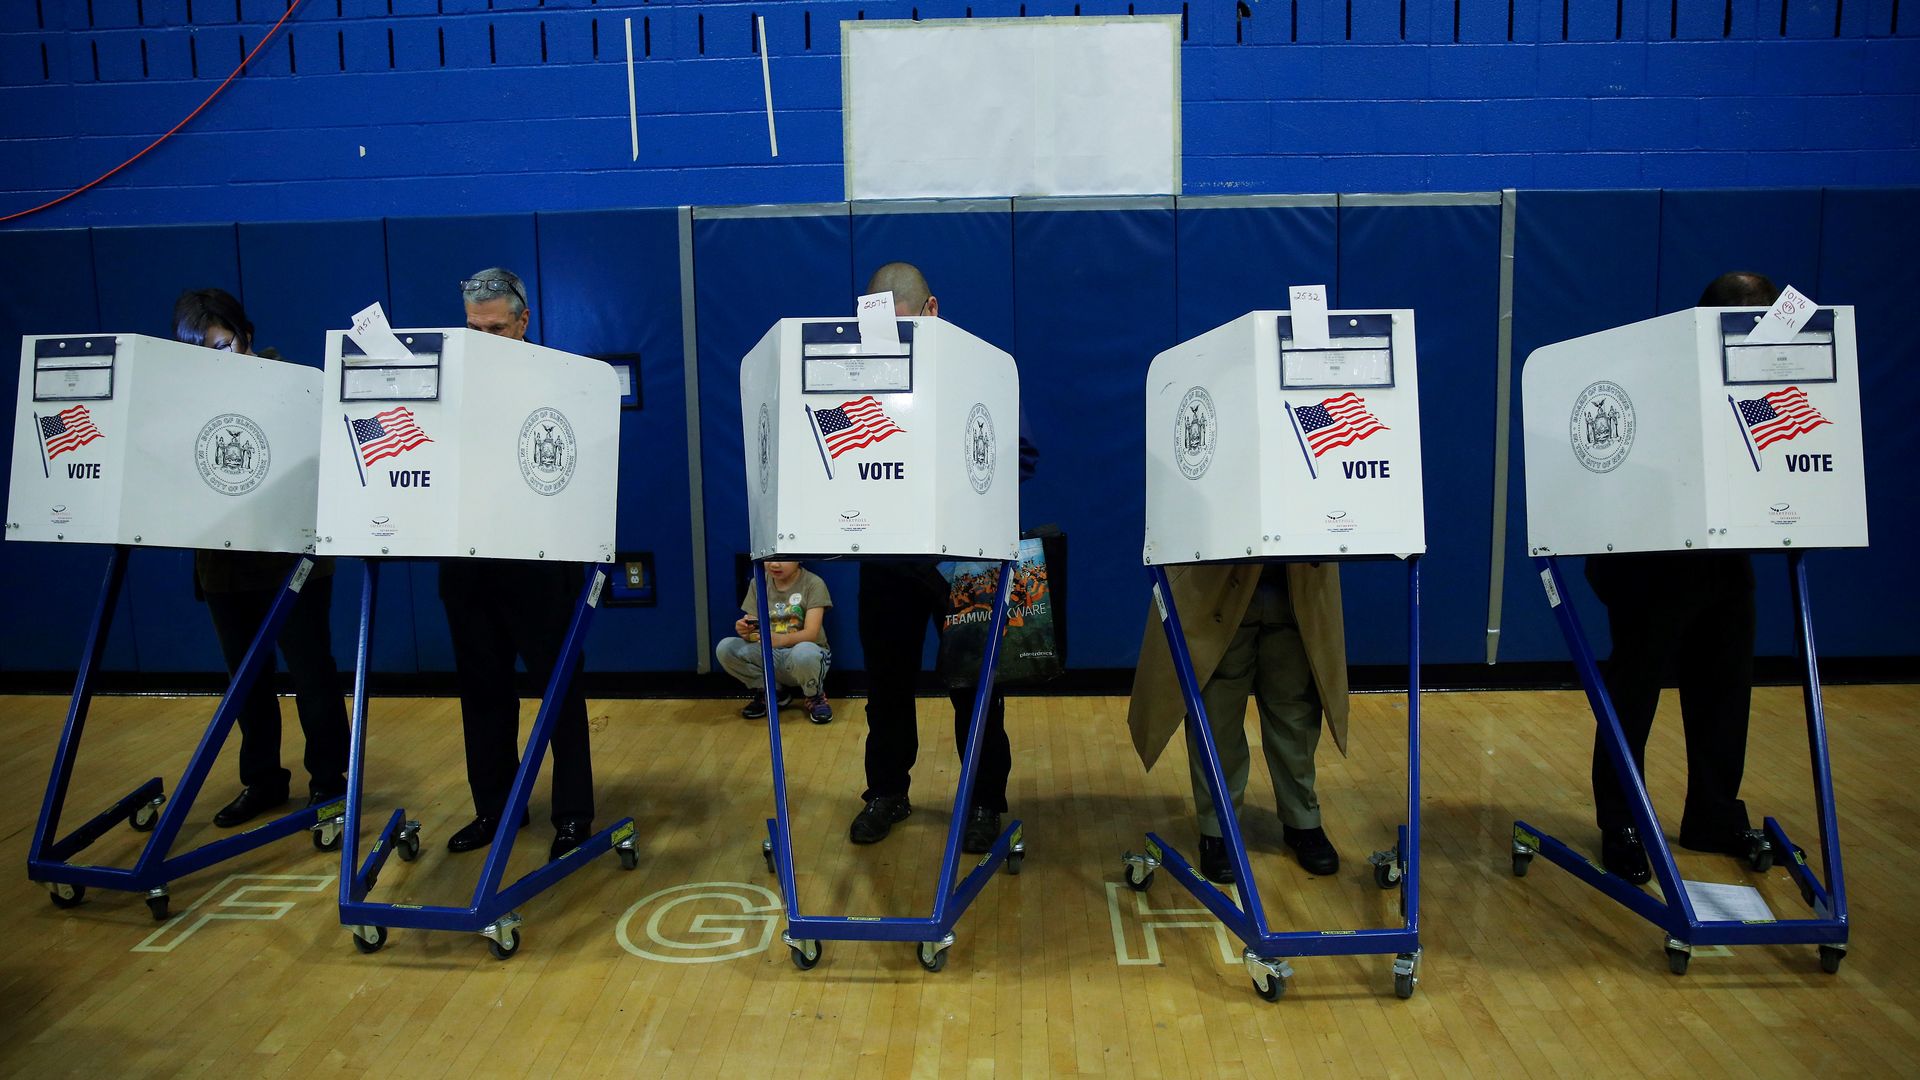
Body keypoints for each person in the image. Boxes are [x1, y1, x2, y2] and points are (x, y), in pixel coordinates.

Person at [1585, 271, 1780, 884]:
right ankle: (1619, 821)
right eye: (1753, 318)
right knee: (1635, 693)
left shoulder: (1767, 380)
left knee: (1726, 689)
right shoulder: (1655, 375)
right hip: (1651, 561)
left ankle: (1714, 815)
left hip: (1725, 559)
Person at [849, 262, 1039, 853]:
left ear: (931, 310)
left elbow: (1021, 455)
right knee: (886, 687)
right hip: (885, 559)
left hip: (965, 557)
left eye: (905, 328)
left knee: (975, 688)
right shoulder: (859, 373)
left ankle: (984, 801)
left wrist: (952, 482)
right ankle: (886, 792)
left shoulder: (980, 367)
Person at [172, 288, 350, 827]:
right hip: (222, 563)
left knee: (312, 674)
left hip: (292, 561)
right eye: (202, 353)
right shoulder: (183, 400)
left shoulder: (292, 384)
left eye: (222, 346)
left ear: (245, 336)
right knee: (247, 679)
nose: (216, 361)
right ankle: (264, 781)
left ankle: (330, 782)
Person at [440, 267, 597, 863]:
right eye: (473, 328)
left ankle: (574, 813)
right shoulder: (448, 380)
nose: (483, 339)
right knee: (482, 692)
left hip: (538, 561)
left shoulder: (560, 377)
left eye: (496, 328)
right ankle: (495, 808)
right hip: (466, 561)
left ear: (523, 321)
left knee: (559, 690)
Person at [1128, 561, 1350, 883]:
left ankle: (1302, 819)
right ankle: (1217, 828)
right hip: (1217, 578)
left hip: (1299, 577)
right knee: (1216, 711)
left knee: (1296, 708)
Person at [715, 559, 834, 723]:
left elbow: (812, 634)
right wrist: (745, 631)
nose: (774, 564)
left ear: (798, 558)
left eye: (782, 558)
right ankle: (773, 692)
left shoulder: (813, 583)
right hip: (771, 654)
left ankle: (814, 695)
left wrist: (782, 639)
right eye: (769, 559)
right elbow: (755, 632)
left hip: (803, 655)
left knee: (804, 653)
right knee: (725, 648)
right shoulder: (758, 582)